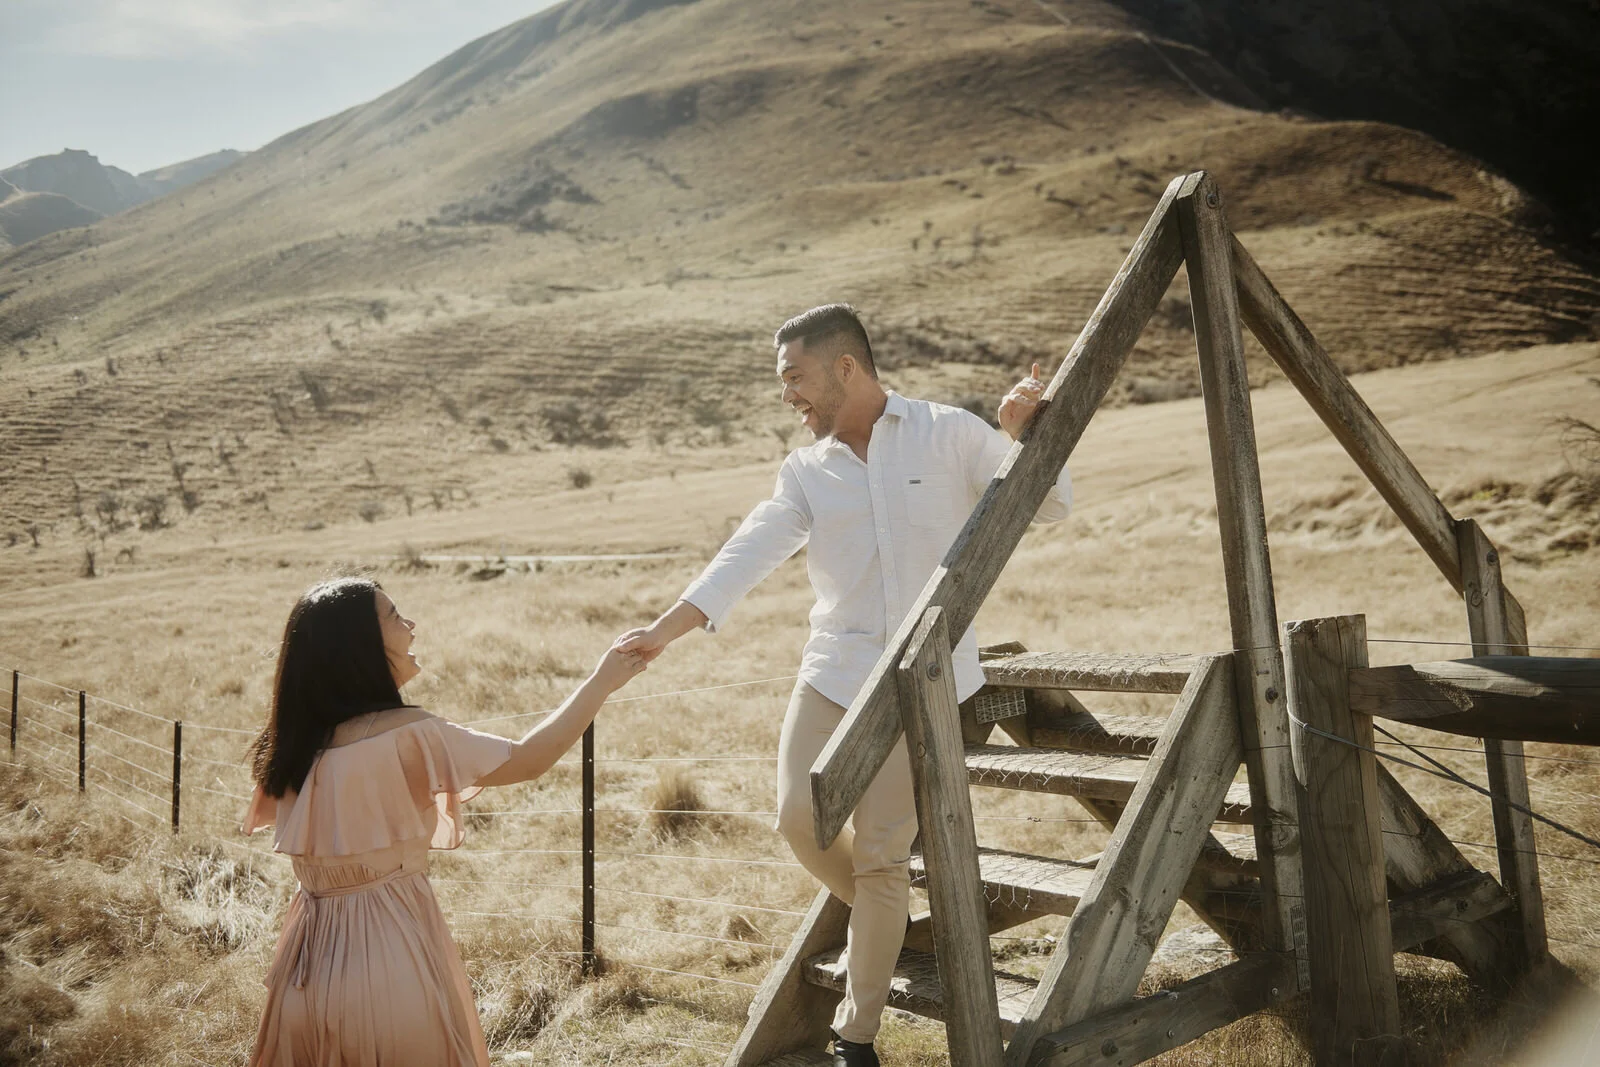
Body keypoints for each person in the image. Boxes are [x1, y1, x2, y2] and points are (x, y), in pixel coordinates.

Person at [617, 303, 1070, 1066]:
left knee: (883, 858)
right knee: (798, 817)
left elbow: (1050, 505)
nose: (787, 395)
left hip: (920, 686)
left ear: (845, 368)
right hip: (832, 672)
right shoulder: (804, 469)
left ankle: (855, 1037)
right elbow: (747, 549)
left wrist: (1026, 437)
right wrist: (665, 628)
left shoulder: (948, 432)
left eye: (794, 377)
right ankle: (889, 918)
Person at [242, 576, 645, 1066]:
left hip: (302, 968)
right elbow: (531, 759)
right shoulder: (407, 734)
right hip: (388, 963)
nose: (410, 625)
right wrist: (603, 679)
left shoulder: (293, 743)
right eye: (394, 616)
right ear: (360, 646)